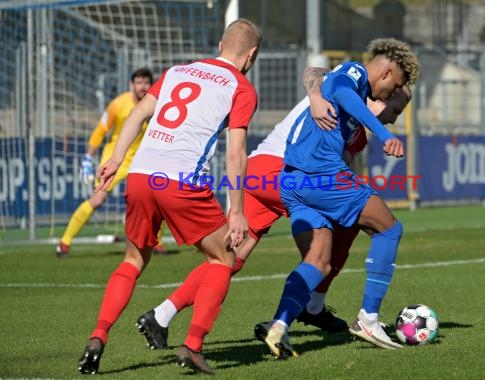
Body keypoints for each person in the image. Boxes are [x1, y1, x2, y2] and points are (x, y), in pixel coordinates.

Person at [134, 67, 411, 351]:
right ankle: (314, 307)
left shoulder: (355, 130)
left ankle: (161, 315)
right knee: (346, 228)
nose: (393, 117)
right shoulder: (347, 86)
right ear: (380, 92)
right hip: (285, 171)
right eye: (395, 106)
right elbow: (315, 72)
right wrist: (315, 93)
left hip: (259, 172)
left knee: (228, 259)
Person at [76, 18, 262, 375]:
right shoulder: (241, 87)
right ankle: (192, 347)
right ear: (251, 55)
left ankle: (98, 336)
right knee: (224, 259)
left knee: (133, 260)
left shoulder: (179, 70)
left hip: (143, 176)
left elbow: (138, 113)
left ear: (221, 44)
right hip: (180, 182)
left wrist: (116, 158)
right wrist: (236, 210)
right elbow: (236, 152)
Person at [257, 38, 419, 358]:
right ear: (387, 73)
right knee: (389, 229)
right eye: (395, 87)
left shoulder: (348, 92)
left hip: (292, 181)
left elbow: (329, 86)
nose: (388, 97)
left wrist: (317, 93)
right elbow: (343, 90)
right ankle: (368, 319)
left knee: (318, 261)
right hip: (320, 175)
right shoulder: (354, 72)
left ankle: (280, 325)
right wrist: (384, 134)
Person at [55, 68, 168, 258]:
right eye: (139, 82)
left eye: (146, 82)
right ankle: (64, 243)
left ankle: (156, 243)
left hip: (142, 159)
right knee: (97, 198)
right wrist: (87, 159)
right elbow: (100, 131)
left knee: (158, 197)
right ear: (132, 85)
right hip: (115, 158)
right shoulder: (118, 104)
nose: (143, 86)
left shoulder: (156, 103)